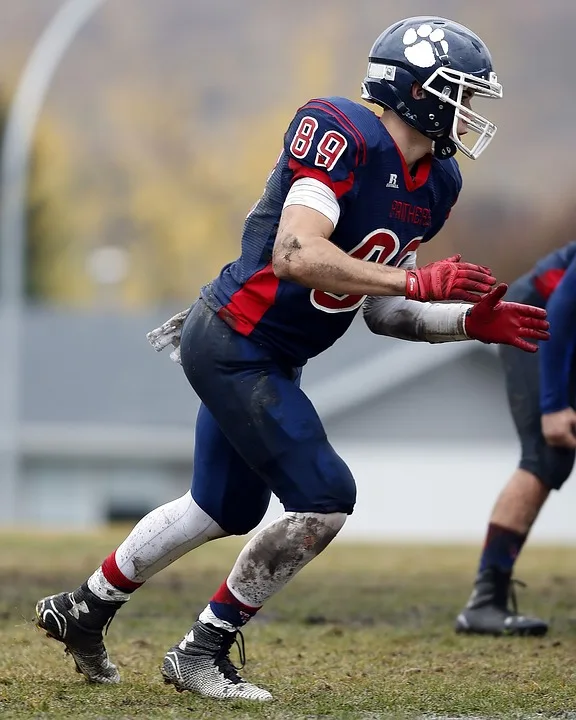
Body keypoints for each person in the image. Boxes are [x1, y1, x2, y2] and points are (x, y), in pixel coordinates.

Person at [35, 16, 549, 701]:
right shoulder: (343, 134)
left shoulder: (436, 183)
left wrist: (466, 322)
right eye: (461, 92)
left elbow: (384, 309)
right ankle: (202, 650)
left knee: (221, 506)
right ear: (418, 89)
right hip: (234, 339)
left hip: (271, 356)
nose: (469, 111)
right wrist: (413, 280)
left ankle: (85, 608)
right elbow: (296, 253)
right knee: (326, 496)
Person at [456, 242, 576, 637]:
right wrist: (554, 405)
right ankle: (485, 603)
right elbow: (562, 308)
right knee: (547, 455)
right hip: (540, 317)